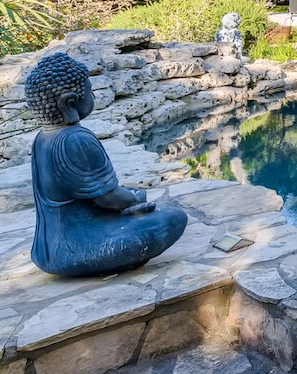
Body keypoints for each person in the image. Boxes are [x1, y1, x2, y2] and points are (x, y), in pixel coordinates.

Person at [24, 53, 188, 277]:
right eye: (90, 91)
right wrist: (134, 199)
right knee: (173, 217)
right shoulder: (75, 139)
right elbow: (108, 198)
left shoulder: (42, 138)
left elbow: (87, 195)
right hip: (77, 248)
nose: (93, 95)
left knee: (143, 207)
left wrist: (129, 197)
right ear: (70, 103)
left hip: (46, 249)